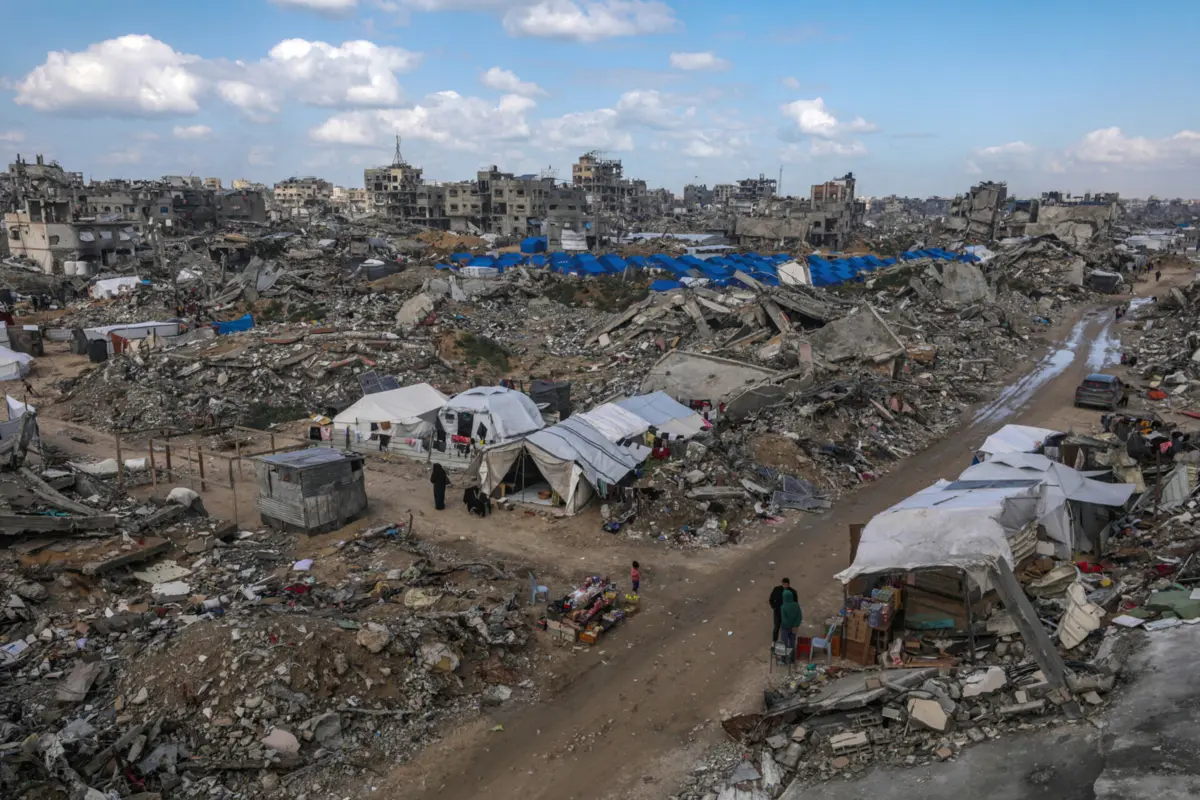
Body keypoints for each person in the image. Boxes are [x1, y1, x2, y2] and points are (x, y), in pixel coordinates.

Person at [769, 578, 798, 643]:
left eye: (786, 584)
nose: (785, 586)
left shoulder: (793, 592)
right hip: (778, 613)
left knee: (785, 630)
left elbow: (795, 604)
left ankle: (785, 644)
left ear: (788, 584)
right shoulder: (777, 589)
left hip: (787, 615)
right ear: (782, 583)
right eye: (784, 584)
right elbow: (771, 599)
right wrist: (774, 607)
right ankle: (774, 642)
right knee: (776, 628)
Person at [778, 591, 803, 663]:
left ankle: (784, 659)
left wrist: (788, 625)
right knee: (792, 642)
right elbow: (799, 617)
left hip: (785, 628)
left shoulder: (783, 607)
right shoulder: (796, 605)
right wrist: (795, 625)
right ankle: (792, 659)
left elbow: (784, 619)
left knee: (784, 643)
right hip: (794, 628)